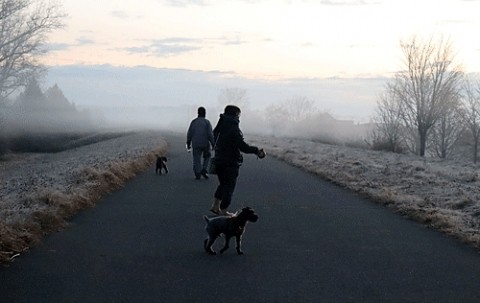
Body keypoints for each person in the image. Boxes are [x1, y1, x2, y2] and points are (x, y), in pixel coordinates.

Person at [210, 105, 266, 215]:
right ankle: (224, 210)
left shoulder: (219, 127)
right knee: (229, 187)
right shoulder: (234, 129)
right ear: (235, 115)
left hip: (219, 160)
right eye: (239, 115)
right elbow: (242, 147)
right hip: (231, 162)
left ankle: (215, 205)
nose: (239, 118)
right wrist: (256, 151)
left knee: (223, 184)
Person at [187, 106, 215, 180]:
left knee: (196, 158)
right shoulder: (207, 122)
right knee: (207, 156)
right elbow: (210, 134)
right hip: (205, 143)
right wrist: (213, 143)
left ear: (198, 113)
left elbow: (190, 133)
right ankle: (204, 169)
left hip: (195, 143)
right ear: (205, 113)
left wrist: (188, 142)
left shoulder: (194, 122)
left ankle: (197, 172)